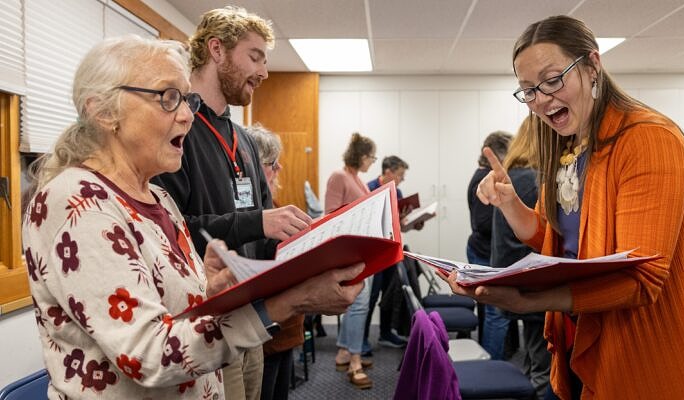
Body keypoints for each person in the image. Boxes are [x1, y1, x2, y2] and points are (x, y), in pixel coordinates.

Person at [21, 35, 364, 399]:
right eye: (167, 97)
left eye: (187, 98)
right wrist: (288, 302)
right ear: (103, 111)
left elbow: (169, 311)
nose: (186, 114)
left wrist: (206, 289)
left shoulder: (160, 198)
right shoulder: (77, 204)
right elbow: (150, 355)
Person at [444, 15, 684, 399]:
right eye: (528, 90)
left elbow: (642, 278)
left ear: (592, 66)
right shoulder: (568, 145)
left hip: (649, 351)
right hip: (583, 335)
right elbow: (553, 237)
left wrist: (531, 301)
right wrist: (510, 204)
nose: (540, 99)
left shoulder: (650, 139)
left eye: (552, 79)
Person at [151, 7, 313, 399]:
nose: (264, 72)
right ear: (217, 50)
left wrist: (314, 248)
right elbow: (170, 233)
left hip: (252, 319)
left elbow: (265, 227)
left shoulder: (243, 139)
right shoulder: (178, 129)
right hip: (203, 322)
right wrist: (257, 222)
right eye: (254, 56)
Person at [489, 115, 551, 398]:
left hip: (510, 275)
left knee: (532, 355)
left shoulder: (511, 176)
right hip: (532, 280)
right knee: (544, 367)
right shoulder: (533, 179)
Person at [245, 124, 300, 400]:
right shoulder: (248, 212)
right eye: (272, 164)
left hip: (285, 327)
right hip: (264, 327)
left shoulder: (273, 203)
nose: (278, 170)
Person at [325, 132, 377, 389]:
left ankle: (344, 351)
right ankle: (355, 359)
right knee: (358, 306)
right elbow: (330, 216)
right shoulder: (339, 177)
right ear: (361, 156)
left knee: (358, 305)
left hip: (363, 250)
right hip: (349, 253)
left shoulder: (357, 178)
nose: (372, 162)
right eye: (371, 157)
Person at [467, 131, 512, 358]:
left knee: (490, 311)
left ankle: (487, 357)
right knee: (497, 314)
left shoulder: (483, 175)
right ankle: (493, 365)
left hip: (481, 250)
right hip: (484, 252)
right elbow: (483, 223)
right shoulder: (485, 178)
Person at [363, 156, 411, 355]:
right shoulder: (368, 188)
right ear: (388, 172)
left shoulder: (397, 192)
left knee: (390, 295)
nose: (401, 179)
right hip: (373, 252)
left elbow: (397, 224)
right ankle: (362, 339)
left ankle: (385, 333)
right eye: (400, 175)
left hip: (391, 249)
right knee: (371, 297)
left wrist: (408, 221)